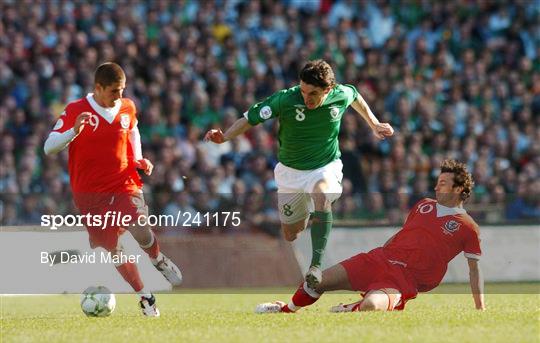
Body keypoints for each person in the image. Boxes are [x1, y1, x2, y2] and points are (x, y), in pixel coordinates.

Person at [205, 59, 394, 288]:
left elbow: (354, 95)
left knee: (322, 194)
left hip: (325, 166)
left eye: (313, 93)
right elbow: (250, 118)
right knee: (291, 234)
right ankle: (307, 215)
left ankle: (315, 267)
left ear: (328, 89)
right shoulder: (285, 99)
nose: (307, 98)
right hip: (290, 173)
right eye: (303, 91)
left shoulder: (340, 94)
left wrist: (374, 124)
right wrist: (225, 136)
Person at [44, 62, 182, 317]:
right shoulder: (76, 110)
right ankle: (145, 297)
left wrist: (139, 157)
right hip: (89, 195)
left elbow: (133, 131)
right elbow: (49, 147)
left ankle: (156, 258)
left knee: (141, 230)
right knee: (114, 249)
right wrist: (73, 131)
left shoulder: (127, 106)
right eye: (114, 91)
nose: (120, 96)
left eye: (122, 90)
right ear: (98, 88)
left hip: (123, 182)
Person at [256, 159, 485, 313]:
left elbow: (474, 270)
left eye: (443, 184)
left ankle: (356, 307)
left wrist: (480, 308)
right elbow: (404, 234)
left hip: (403, 279)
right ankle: (285, 310)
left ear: (458, 189)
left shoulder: (467, 226)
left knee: (372, 307)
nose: (436, 187)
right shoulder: (424, 204)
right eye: (437, 182)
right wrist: (383, 252)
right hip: (378, 260)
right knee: (316, 281)